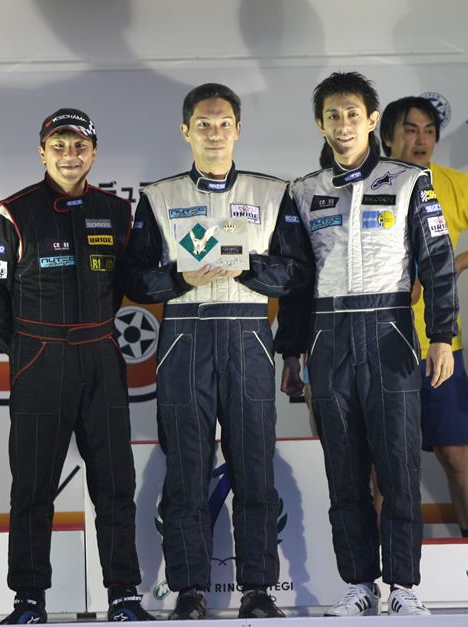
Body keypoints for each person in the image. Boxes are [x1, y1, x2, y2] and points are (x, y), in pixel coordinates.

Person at [121, 83, 311, 620]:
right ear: (186, 131)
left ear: (238, 130)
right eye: (203, 124)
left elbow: (297, 273)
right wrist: (180, 278)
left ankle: (257, 589)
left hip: (248, 333)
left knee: (254, 466)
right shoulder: (158, 196)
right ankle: (190, 590)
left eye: (224, 123)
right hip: (184, 333)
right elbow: (134, 278)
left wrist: (249, 267)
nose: (214, 133)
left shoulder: (271, 192)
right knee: (186, 469)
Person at [278, 72, 458, 617]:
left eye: (353, 114)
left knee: (399, 467)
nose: (343, 124)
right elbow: (296, 282)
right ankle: (358, 584)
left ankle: (404, 587)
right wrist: (291, 352)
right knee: (344, 470)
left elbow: (438, 263)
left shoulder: (410, 180)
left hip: (391, 332)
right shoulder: (303, 190)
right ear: (320, 123)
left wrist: (442, 336)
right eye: (333, 115)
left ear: (373, 120)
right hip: (328, 337)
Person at [0, 108, 154, 624]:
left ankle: (123, 595)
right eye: (59, 146)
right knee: (33, 488)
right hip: (39, 357)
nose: (69, 155)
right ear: (42, 152)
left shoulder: (116, 211)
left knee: (115, 484)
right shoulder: (12, 212)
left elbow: (126, 285)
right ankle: (29, 600)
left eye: (79, 146)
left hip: (101, 355)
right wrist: (24, 349)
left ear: (94, 154)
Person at [379, 96, 468, 538]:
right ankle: (384, 561)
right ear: (387, 137)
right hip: (381, 344)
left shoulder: (456, 185)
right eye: (410, 130)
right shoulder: (368, 184)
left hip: (441, 347)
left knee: (455, 454)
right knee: (382, 462)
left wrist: (455, 264)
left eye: (429, 131)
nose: (421, 140)